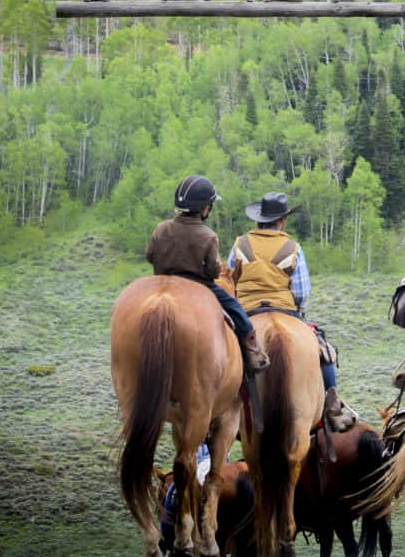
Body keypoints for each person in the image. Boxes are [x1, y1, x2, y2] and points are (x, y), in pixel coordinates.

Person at [227, 191, 357, 433]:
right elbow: (301, 292)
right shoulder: (293, 248)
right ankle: (332, 408)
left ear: (259, 219)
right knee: (323, 350)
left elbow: (228, 281)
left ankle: (215, 414)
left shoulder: (239, 245)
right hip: (285, 310)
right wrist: (297, 312)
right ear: (282, 221)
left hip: (244, 314)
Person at [145, 175, 270, 374]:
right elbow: (213, 271)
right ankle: (253, 352)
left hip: (162, 282)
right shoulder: (208, 236)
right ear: (205, 208)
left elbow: (150, 255)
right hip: (198, 285)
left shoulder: (161, 228)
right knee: (235, 308)